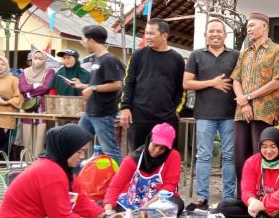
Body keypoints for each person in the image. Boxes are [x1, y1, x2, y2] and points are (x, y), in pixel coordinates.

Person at [0, 124, 117, 218]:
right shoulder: (50, 172)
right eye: (79, 152)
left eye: (84, 152)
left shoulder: (62, 169)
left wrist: (106, 216)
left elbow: (80, 201)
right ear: (66, 149)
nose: (82, 157)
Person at [184, 19, 239, 208]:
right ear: (205, 35)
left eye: (219, 31)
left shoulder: (236, 55)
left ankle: (228, 196)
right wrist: (212, 83)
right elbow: (186, 83)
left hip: (230, 114)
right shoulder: (196, 55)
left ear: (225, 35)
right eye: (211, 31)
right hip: (205, 115)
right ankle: (202, 196)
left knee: (230, 156)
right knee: (203, 156)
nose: (215, 34)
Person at [231, 12, 279, 194]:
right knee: (240, 157)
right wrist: (244, 102)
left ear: (264, 27)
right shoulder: (244, 53)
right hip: (242, 112)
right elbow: (236, 79)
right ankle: (242, 197)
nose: (249, 29)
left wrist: (248, 97)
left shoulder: (277, 51)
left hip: (264, 113)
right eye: (248, 26)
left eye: (252, 25)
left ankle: (261, 197)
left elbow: (276, 82)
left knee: (261, 155)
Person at [119, 18, 185, 150]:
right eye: (146, 33)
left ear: (164, 35)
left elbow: (181, 88)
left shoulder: (177, 59)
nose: (147, 37)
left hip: (166, 117)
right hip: (139, 116)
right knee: (138, 154)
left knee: (164, 154)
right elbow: (128, 82)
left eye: (151, 33)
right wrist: (125, 107)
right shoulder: (138, 55)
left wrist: (176, 111)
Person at [213, 127, 279, 218]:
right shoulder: (252, 162)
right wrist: (252, 201)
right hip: (255, 206)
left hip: (276, 208)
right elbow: (246, 190)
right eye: (264, 147)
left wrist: (264, 205)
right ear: (259, 147)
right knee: (223, 207)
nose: (268, 151)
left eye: (273, 146)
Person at [72, 25, 125, 165]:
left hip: (103, 113)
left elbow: (117, 84)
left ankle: (119, 177)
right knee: (74, 144)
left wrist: (93, 88)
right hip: (90, 112)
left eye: (83, 39)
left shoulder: (109, 59)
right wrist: (82, 85)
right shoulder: (97, 59)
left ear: (91, 40)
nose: (82, 42)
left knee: (110, 151)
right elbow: (98, 85)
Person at [103, 123, 183, 215]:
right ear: (149, 140)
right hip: (134, 199)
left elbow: (170, 185)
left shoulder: (173, 156)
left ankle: (142, 215)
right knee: (119, 208)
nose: (157, 150)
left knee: (177, 205)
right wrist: (108, 210)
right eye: (155, 145)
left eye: (162, 148)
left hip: (159, 199)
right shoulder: (132, 159)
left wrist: (149, 205)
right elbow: (115, 186)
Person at [19, 50, 55, 158]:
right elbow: (22, 87)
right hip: (28, 106)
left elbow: (46, 87)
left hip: (42, 107)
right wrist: (35, 85)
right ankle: (28, 162)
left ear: (45, 60)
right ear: (32, 59)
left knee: (40, 137)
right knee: (27, 136)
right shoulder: (25, 72)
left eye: (40, 58)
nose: (37, 60)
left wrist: (29, 91)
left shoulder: (49, 72)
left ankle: (38, 161)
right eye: (35, 58)